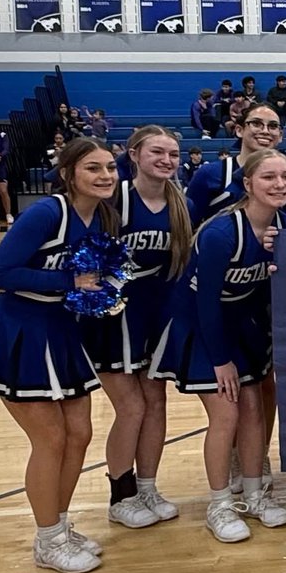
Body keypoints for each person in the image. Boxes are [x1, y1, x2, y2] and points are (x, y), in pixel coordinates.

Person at [0, 138, 119, 573]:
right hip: (20, 331)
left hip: (60, 329)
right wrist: (72, 282)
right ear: (68, 174)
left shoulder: (101, 216)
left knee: (80, 433)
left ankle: (59, 527)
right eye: (93, 168)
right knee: (51, 439)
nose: (105, 176)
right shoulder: (49, 212)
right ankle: (47, 541)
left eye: (109, 168)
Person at [149, 148, 286, 542]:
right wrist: (220, 361)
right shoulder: (220, 234)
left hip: (241, 323)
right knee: (226, 414)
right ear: (248, 184)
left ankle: (254, 494)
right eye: (269, 177)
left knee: (254, 410)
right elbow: (206, 302)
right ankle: (219, 504)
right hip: (200, 324)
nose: (280, 184)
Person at [86, 126, 191, 530]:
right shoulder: (114, 200)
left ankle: (147, 486)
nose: (166, 160)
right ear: (134, 154)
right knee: (130, 408)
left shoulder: (181, 202)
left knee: (156, 404)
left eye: (174, 153)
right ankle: (120, 494)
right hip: (115, 320)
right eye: (157, 152)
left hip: (157, 318)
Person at [186, 103, 283, 226]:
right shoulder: (209, 174)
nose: (265, 131)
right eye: (256, 124)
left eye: (273, 126)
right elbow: (187, 227)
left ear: (280, 136)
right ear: (239, 130)